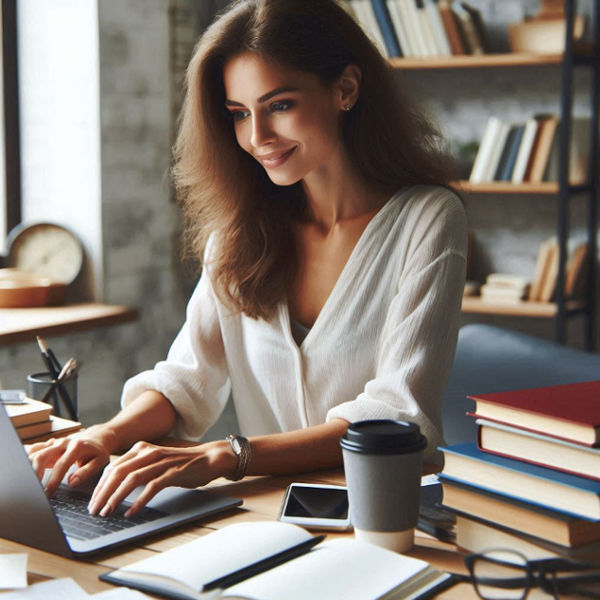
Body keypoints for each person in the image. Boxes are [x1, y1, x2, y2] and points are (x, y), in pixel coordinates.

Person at [27, 0, 467, 518]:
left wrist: (228, 455)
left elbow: (397, 417)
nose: (257, 138)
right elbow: (186, 380)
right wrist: (105, 435)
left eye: (279, 105)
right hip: (269, 520)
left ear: (345, 88)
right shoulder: (239, 233)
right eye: (239, 114)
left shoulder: (429, 219)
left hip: (383, 520)